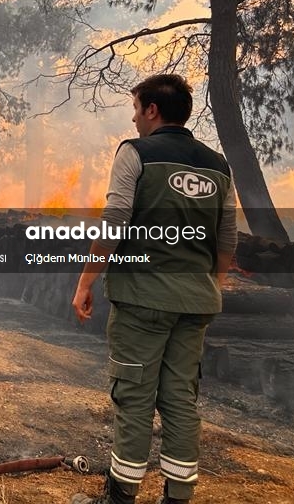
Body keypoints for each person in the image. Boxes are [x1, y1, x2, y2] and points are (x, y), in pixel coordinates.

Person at [70, 74, 237, 504]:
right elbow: (227, 237)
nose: (133, 116)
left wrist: (85, 281)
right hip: (195, 303)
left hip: (142, 301)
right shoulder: (218, 165)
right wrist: (210, 288)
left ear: (152, 110)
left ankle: (121, 495)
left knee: (134, 395)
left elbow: (114, 221)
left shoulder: (135, 153)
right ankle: (178, 496)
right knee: (181, 398)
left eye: (136, 107)